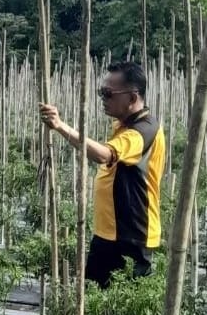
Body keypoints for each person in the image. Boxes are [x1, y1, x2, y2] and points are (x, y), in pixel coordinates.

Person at [39, 61, 166, 288]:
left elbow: (104, 155)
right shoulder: (124, 125)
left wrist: (60, 126)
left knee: (127, 313)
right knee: (93, 303)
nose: (103, 99)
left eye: (108, 94)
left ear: (132, 97)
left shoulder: (144, 130)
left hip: (131, 237)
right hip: (108, 234)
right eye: (101, 92)